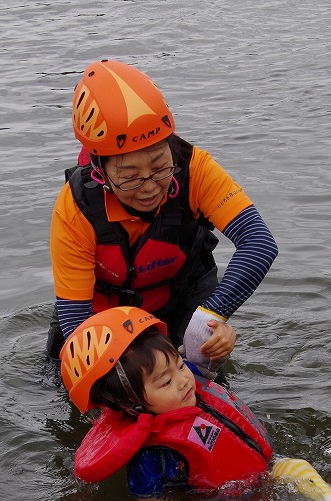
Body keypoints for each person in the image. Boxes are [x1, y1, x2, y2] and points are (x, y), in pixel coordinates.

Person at [60, 306, 331, 501]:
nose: (184, 379)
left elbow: (206, 349)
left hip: (265, 473)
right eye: (165, 381)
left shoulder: (189, 383)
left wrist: (221, 333)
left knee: (299, 469)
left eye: (178, 364)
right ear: (130, 405)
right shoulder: (152, 454)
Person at [47, 59, 278, 378]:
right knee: (65, 388)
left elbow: (259, 244)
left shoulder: (196, 169)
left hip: (180, 304)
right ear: (100, 172)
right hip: (99, 322)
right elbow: (75, 321)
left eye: (160, 167)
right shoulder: (75, 206)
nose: (149, 187)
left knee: (203, 384)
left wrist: (211, 319)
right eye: (129, 176)